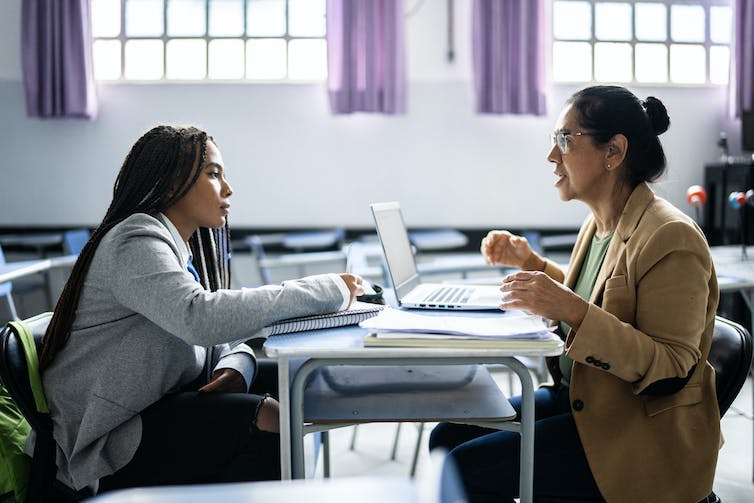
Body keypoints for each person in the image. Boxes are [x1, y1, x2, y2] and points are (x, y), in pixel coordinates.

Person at [429, 86, 720, 503]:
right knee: (446, 437)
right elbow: (606, 301)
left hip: (634, 432)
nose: (552, 156)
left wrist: (569, 307)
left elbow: (671, 367)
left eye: (565, 140)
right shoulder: (600, 222)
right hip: (582, 401)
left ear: (614, 152)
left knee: (463, 467)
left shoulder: (671, 236)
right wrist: (531, 264)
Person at [39, 125, 365, 493]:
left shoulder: (178, 250)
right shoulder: (135, 241)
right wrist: (328, 289)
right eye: (213, 174)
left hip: (158, 403)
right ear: (172, 182)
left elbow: (221, 338)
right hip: (111, 440)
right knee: (270, 422)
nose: (228, 189)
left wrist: (236, 367)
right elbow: (201, 318)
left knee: (293, 379)